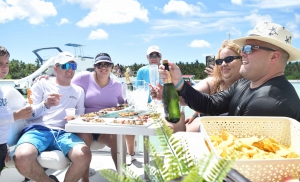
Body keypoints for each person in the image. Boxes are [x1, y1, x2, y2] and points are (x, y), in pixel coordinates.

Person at [157, 22, 300, 132]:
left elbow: (240, 154)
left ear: (274, 57)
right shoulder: (245, 83)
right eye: (244, 48)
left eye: (250, 48)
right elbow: (210, 104)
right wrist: (179, 83)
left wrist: (181, 135)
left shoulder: (269, 101)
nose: (243, 53)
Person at [14, 52, 91, 182]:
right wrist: (45, 104)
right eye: (65, 65)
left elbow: (80, 115)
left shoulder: (79, 91)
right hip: (37, 130)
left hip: (63, 133)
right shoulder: (41, 84)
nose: (70, 70)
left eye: (73, 66)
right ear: (55, 69)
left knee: (84, 155)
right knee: (22, 157)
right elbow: (29, 114)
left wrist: (75, 119)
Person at [72, 53, 136, 167]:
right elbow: (64, 85)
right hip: (86, 125)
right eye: (99, 65)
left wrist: (133, 101)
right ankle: (84, 179)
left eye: (107, 64)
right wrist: (45, 80)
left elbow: (124, 103)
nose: (103, 67)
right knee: (82, 144)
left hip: (106, 126)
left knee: (119, 142)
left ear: (112, 66)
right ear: (94, 67)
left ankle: (122, 176)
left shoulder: (117, 85)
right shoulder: (83, 78)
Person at [185, 40, 242, 132]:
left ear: (243, 60)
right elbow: (192, 96)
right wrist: (194, 115)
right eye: (219, 61)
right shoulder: (213, 83)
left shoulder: (249, 86)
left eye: (229, 59)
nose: (223, 64)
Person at [0, 46, 33, 174]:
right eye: (0, 63)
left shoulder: (2, 90)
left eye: (7, 63)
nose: (5, 67)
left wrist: (4, 144)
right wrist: (16, 116)